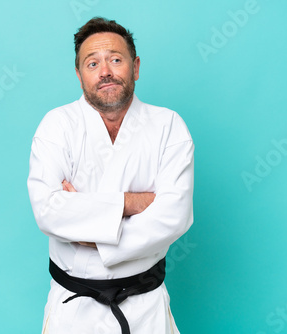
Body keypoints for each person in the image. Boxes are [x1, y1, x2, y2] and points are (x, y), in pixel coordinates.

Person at [27, 17, 194, 334]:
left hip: (146, 308)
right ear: (79, 76)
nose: (105, 71)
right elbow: (49, 211)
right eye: (92, 63)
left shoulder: (169, 126)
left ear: (136, 67)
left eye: (116, 60)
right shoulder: (56, 125)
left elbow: (174, 215)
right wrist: (136, 203)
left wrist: (92, 234)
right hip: (73, 308)